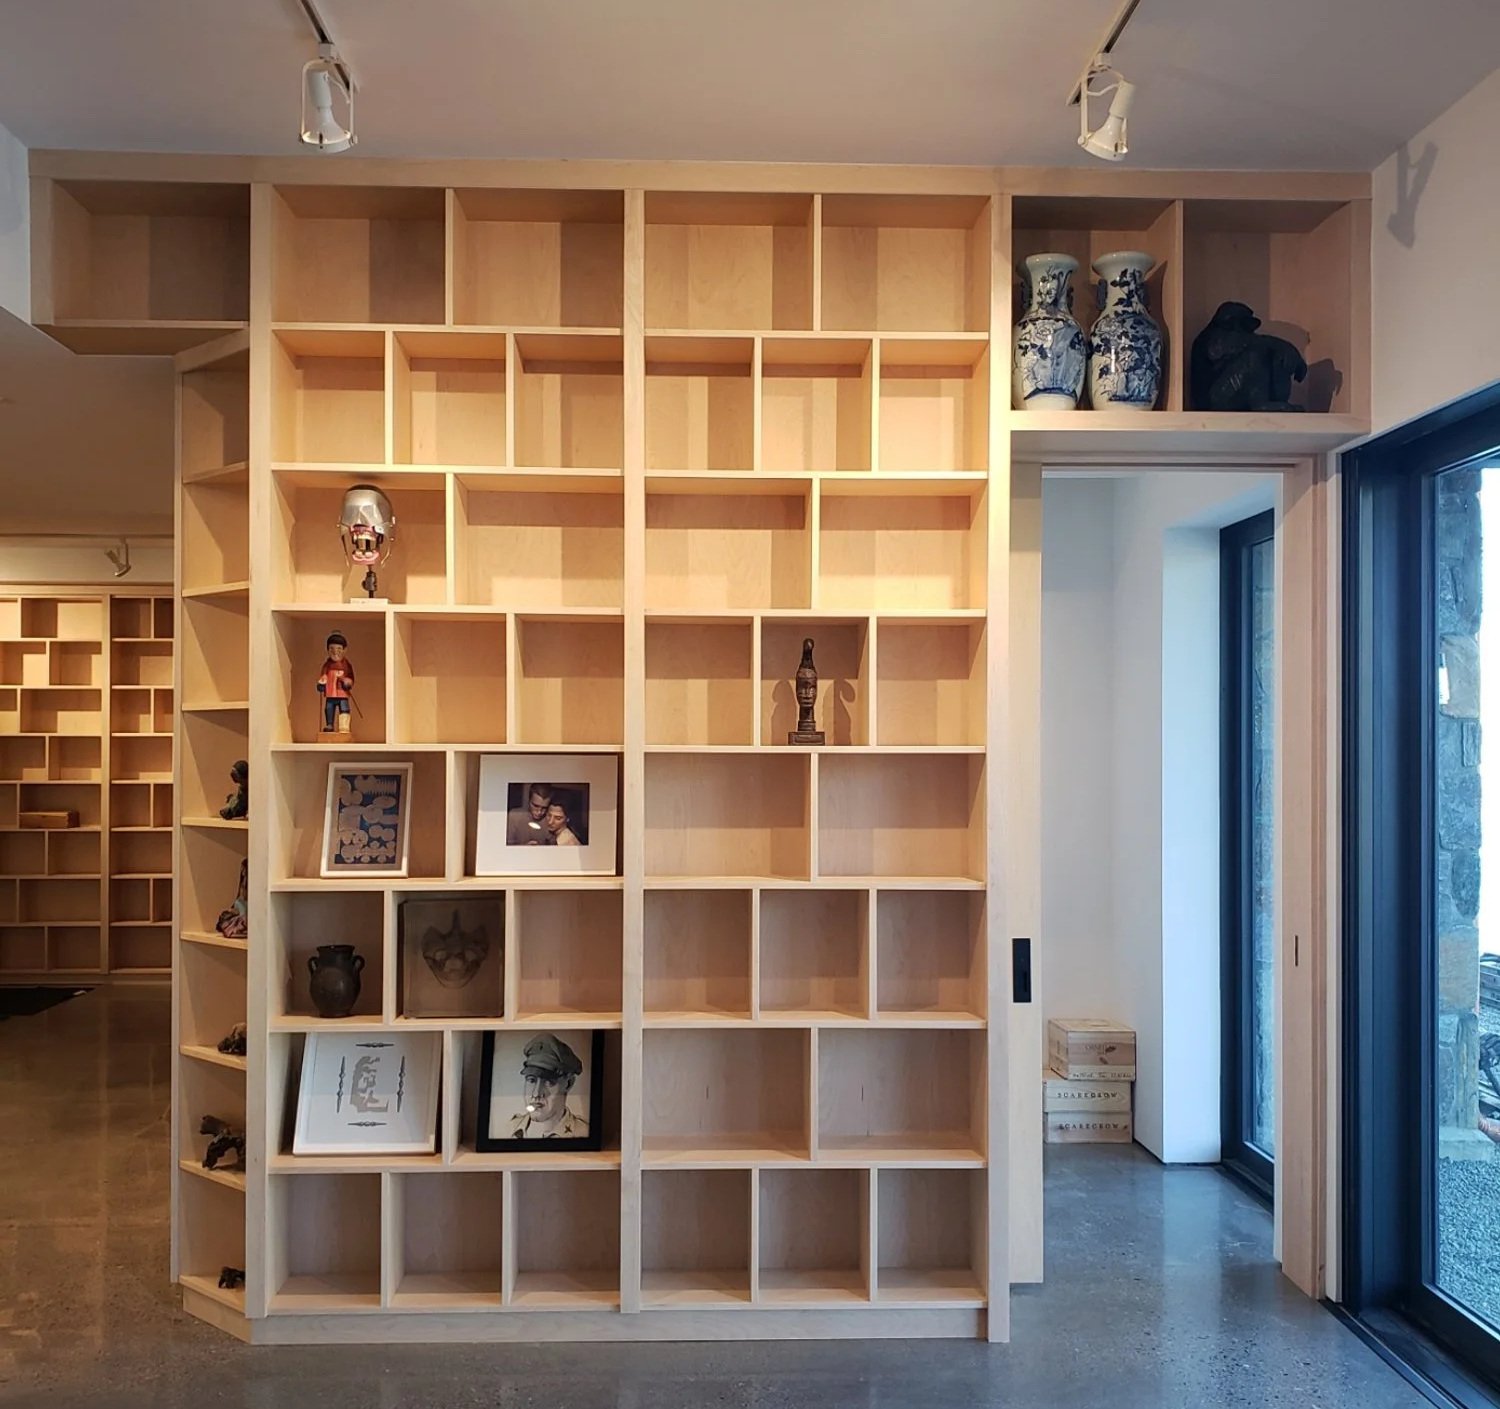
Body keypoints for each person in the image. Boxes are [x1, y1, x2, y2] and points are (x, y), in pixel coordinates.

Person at [506, 1034, 589, 1139]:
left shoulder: (582, 1133)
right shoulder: (508, 1129)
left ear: (568, 1083)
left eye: (549, 1082)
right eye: (531, 1080)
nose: (536, 1094)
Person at [316, 632, 355, 734]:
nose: (335, 652)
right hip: (330, 692)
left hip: (342, 693)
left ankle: (344, 726)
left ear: (344, 650)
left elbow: (350, 677)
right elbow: (323, 676)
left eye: (339, 649)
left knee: (344, 708)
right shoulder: (327, 665)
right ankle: (329, 724)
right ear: (328, 650)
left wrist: (347, 682)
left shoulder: (346, 665)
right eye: (331, 649)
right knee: (329, 708)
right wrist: (321, 683)